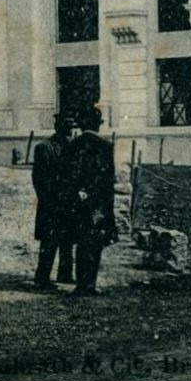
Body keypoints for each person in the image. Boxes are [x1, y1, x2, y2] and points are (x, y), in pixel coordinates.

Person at [66, 106, 116, 295]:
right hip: (97, 206)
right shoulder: (105, 146)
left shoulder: (72, 146)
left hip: (76, 205)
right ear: (97, 125)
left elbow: (66, 178)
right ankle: (89, 284)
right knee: (94, 240)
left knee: (80, 241)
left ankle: (80, 283)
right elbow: (108, 182)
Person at [32, 113, 77, 289]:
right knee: (49, 242)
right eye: (67, 126)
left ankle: (65, 274)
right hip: (51, 203)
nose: (70, 130)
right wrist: (47, 201)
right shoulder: (44, 148)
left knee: (68, 240)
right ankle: (42, 278)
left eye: (72, 127)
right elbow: (39, 179)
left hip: (69, 202)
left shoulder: (74, 148)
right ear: (58, 127)